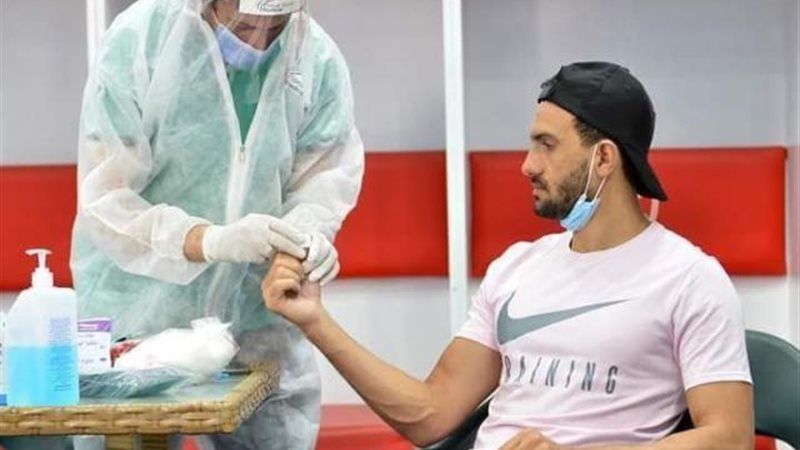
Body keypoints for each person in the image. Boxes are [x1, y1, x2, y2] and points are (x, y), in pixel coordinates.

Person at [262, 62, 754, 450]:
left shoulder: (690, 279)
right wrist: (316, 322)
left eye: (546, 146)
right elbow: (431, 413)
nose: (526, 165)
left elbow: (729, 438)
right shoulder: (517, 266)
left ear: (604, 158)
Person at [50, 0, 359, 449]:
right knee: (124, 439)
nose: (261, 40)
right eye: (247, 25)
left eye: (277, 25)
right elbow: (106, 198)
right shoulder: (143, 41)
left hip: (255, 317)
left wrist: (303, 236)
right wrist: (208, 240)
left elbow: (323, 178)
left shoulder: (316, 59)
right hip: (139, 312)